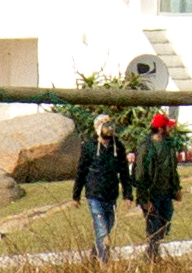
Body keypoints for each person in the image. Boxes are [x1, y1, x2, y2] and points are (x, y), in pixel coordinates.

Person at [72, 108, 127, 259]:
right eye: (105, 125)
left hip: (111, 194)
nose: (109, 129)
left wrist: (127, 195)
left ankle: (94, 257)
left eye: (110, 125)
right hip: (94, 195)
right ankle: (105, 264)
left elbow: (124, 171)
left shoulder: (118, 147)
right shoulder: (89, 147)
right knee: (103, 232)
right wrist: (76, 195)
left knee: (107, 228)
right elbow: (81, 171)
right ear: (98, 128)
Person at [133, 109, 183, 258]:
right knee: (153, 227)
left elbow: (172, 170)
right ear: (160, 129)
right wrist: (144, 199)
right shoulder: (146, 147)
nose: (170, 129)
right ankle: (152, 258)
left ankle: (152, 253)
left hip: (166, 194)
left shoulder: (168, 146)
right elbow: (140, 174)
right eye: (168, 126)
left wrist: (176, 189)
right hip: (151, 195)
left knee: (164, 226)